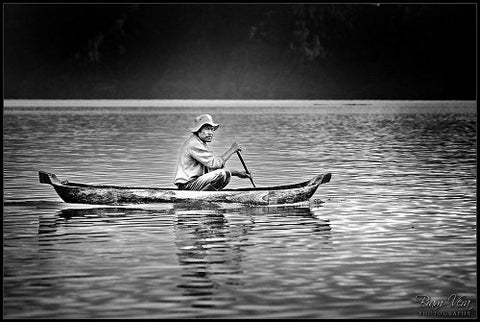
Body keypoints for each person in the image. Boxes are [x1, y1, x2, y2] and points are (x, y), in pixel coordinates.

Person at [174, 114, 251, 191]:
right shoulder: (194, 144)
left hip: (195, 183)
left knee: (226, 174)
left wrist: (238, 173)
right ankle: (205, 197)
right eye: (207, 129)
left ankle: (210, 196)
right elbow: (215, 164)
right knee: (222, 174)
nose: (210, 133)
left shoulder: (201, 143)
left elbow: (212, 169)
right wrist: (232, 150)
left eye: (212, 129)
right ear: (198, 130)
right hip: (187, 186)